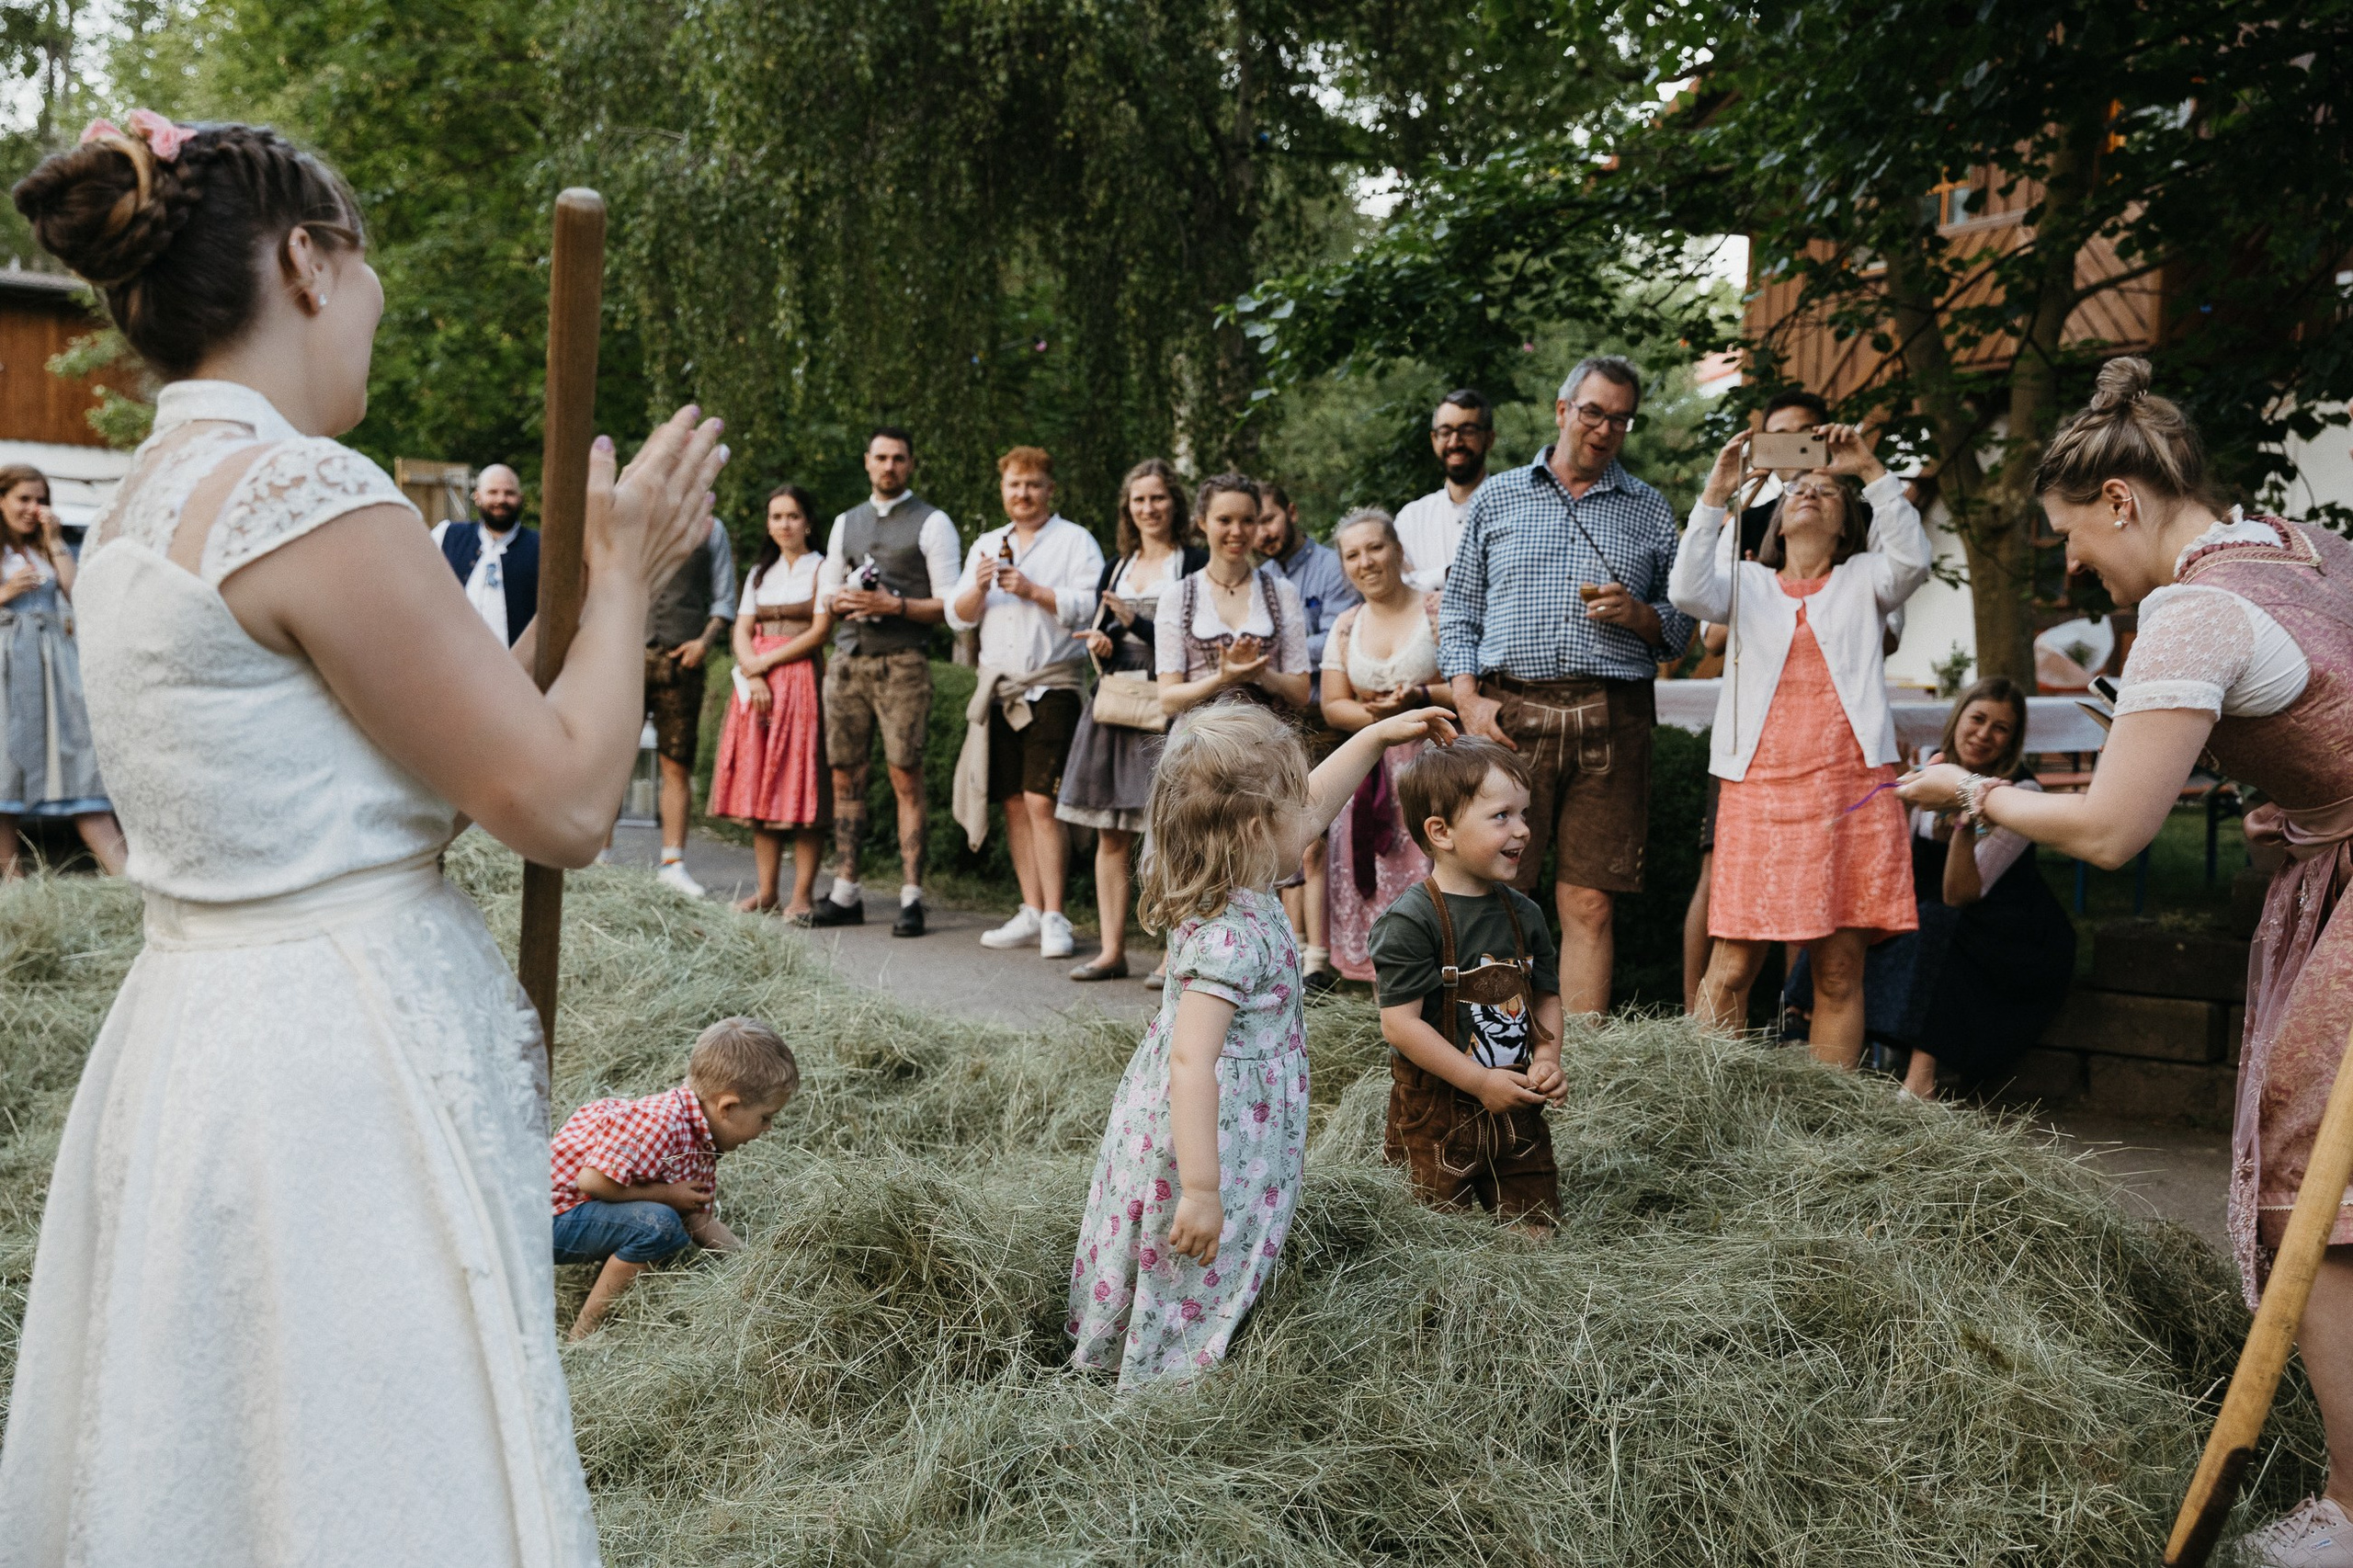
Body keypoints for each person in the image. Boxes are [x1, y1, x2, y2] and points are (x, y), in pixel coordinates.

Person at [0, 112, 724, 1562]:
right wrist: (624, 572)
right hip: (337, 1080)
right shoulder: (305, 494)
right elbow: (571, 808)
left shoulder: (145, 503)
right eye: (368, 256)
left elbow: (410, 771)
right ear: (308, 262)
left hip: (199, 1049)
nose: (380, 295)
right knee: (367, 1474)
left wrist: (550, 630)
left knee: (229, 1463)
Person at [1894, 358, 2353, 1565]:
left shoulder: (2194, 613)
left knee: (2320, 1194)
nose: (2076, 574)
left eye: (2074, 543)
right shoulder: (2298, 550)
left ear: (2120, 499)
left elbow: (2108, 828)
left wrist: (1975, 790)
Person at [1065, 698, 1454, 1387]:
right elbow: (1192, 1063)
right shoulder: (1228, 939)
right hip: (1209, 1138)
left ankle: (1158, 1353)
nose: (1307, 820)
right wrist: (1201, 1188)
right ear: (1254, 826)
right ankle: (1163, 1382)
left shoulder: (1241, 879)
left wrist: (1376, 735)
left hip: (1242, 1126)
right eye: (1290, 807)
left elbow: (1316, 805)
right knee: (1191, 1258)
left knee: (1202, 1260)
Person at [1671, 422, 1929, 1071]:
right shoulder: (1748, 583)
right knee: (1730, 964)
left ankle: (1824, 1129)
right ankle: (1706, 1106)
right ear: (1778, 524)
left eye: (1828, 490)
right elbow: (1686, 591)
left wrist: (1869, 468)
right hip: (1758, 791)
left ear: (1847, 526)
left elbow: (1913, 561)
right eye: (1798, 490)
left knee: (1839, 970)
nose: (1810, 493)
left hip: (1850, 791)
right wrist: (1717, 492)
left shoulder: (1868, 578)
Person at [1439, 355, 1692, 1017]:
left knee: (1589, 900)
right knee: (1493, 889)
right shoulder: (1497, 496)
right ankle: (1489, 1048)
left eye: (1620, 418)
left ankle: (1586, 1067)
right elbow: (1459, 610)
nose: (1605, 428)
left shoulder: (1649, 509)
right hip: (1508, 711)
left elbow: (1679, 628)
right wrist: (1467, 698)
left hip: (1613, 715)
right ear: (1562, 411)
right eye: (1593, 411)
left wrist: (1639, 615)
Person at [1787, 678, 2073, 1097]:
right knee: (1853, 914)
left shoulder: (2019, 791)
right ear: (1958, 719)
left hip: (2008, 930)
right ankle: (1799, 1028)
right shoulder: (1932, 768)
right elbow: (1898, 865)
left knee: (1941, 923)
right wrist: (1899, 801)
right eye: (1977, 719)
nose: (1983, 734)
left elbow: (1960, 893)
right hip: (1931, 904)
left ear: (2012, 741)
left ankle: (1920, 1078)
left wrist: (1964, 819)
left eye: (2000, 728)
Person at [1370, 738, 1565, 1224]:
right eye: (1502, 816)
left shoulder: (1525, 914)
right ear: (1442, 831)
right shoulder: (1412, 921)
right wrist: (1479, 1081)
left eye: (1524, 813)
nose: (1522, 829)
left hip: (1517, 1108)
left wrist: (1546, 1059)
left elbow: (1545, 996)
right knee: (1436, 1240)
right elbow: (1400, 1026)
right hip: (1436, 1118)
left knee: (1535, 1234)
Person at [550, 1017, 797, 1339]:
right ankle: (584, 1333)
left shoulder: (701, 1139)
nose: (768, 1129)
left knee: (666, 1222)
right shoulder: (662, 1123)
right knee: (660, 1225)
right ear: (728, 1107)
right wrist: (667, 1196)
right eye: (764, 1118)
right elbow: (593, 1181)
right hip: (544, 1221)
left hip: (577, 1215)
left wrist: (753, 1265)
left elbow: (697, 1218)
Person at [949, 446, 1103, 960]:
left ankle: (1057, 915)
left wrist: (1035, 590)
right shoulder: (988, 544)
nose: (1023, 493)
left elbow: (1092, 603)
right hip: (1002, 688)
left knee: (1042, 800)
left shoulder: (1074, 541)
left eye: (1033, 484)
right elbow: (959, 615)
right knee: (1014, 801)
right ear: (1003, 490)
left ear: (1049, 488)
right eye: (1014, 485)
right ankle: (1031, 908)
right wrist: (979, 585)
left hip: (1053, 684)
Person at [1056, 457, 1204, 982]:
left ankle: (1173, 953)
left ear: (1175, 503)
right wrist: (1104, 639)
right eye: (1139, 500)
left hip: (1170, 700)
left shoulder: (1192, 562)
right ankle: (1111, 949)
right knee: (1112, 835)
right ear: (1128, 508)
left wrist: (1133, 620)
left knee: (1170, 832)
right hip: (1121, 700)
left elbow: (1193, 635)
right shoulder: (1117, 566)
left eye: (1158, 498)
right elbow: (1112, 636)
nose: (1149, 509)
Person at [813, 426, 960, 937]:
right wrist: (843, 599)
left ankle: (911, 895)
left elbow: (951, 606)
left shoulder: (933, 522)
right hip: (849, 660)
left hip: (903, 662)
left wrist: (893, 605)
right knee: (845, 775)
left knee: (905, 776)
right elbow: (826, 594)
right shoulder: (844, 521)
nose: (889, 466)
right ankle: (846, 889)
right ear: (867, 462)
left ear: (911, 464)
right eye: (881, 458)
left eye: (898, 458)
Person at [1319, 507, 1452, 981]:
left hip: (1433, 768)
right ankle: (1389, 1008)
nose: (1366, 562)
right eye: (1352, 555)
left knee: (1434, 883)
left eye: (1375, 548)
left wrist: (1418, 700)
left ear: (1398, 550)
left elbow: (1468, 687)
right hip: (1370, 771)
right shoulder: (1347, 624)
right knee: (1375, 881)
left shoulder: (1436, 607)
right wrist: (1375, 718)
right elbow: (1333, 705)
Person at [708, 483, 833, 919]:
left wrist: (765, 665)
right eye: (776, 517)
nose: (784, 524)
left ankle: (802, 894)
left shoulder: (824, 568)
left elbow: (819, 633)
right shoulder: (761, 573)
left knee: (801, 784)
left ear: (808, 523)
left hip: (800, 682)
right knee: (762, 783)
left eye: (793, 516)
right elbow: (741, 629)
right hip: (757, 690)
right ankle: (767, 891)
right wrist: (750, 669)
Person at [1254, 481, 1358, 991]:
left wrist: (1274, 648)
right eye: (1253, 524)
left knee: (1317, 836)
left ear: (1292, 512)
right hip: (1276, 717)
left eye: (1269, 519)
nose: (1261, 533)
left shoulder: (1331, 567)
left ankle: (1324, 956)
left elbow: (1340, 633)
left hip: (1327, 713)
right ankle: (1295, 950)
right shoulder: (1259, 577)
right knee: (1286, 834)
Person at [0, 460, 124, 877]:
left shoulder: (47, 546)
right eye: (24, 498)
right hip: (6, 663)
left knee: (75, 759)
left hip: (55, 665)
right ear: (1, 501)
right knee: (6, 765)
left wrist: (54, 540)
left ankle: (127, 879)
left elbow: (77, 593)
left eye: (42, 499)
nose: (34, 508)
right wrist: (6, 592)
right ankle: (14, 889)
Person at [1155, 473, 1311, 722]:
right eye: (1224, 520)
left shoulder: (1282, 592)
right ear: (1203, 522)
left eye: (1248, 520)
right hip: (1200, 743)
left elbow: (1301, 693)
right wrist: (1222, 678)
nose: (1236, 532)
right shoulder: (1177, 596)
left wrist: (1260, 672)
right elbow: (1168, 700)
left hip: (1268, 741)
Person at [640, 511, 735, 897]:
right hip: (627, 656)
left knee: (676, 763)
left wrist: (704, 643)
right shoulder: (635, 517)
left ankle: (673, 863)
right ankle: (600, 856)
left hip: (683, 660)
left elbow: (725, 599)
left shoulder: (712, 528)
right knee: (609, 761)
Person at [1394, 389, 1495, 592]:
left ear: (1489, 439)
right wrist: (1448, 574)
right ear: (1434, 439)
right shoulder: (1412, 518)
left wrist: (1425, 578)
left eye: (1467, 431)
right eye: (1445, 432)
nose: (1455, 442)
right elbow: (1397, 588)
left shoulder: (1513, 508)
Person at [430, 462, 535, 647]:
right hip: (452, 658)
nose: (501, 499)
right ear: (477, 497)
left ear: (520, 498)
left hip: (514, 667)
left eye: (509, 493)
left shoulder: (540, 546)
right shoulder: (446, 535)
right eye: (492, 492)